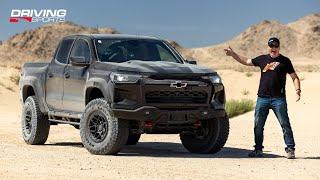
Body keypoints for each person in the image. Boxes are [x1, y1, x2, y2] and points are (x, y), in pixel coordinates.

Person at [224, 37, 301, 159]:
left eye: (275, 46)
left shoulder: (285, 61)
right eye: (271, 46)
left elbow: (294, 77)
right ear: (268, 47)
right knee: (258, 125)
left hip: (278, 99)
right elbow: (246, 61)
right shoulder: (262, 59)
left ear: (279, 47)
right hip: (262, 99)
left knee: (284, 123)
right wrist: (233, 54)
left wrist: (298, 90)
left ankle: (290, 149)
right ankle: (258, 150)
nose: (273, 48)